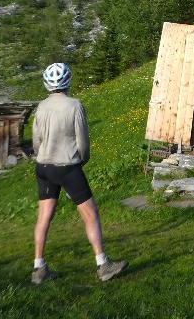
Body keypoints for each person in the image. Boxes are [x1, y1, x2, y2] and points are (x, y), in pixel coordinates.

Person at [31, 62, 127, 284]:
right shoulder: (74, 105)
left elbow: (36, 141)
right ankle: (103, 265)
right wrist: (82, 160)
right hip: (67, 166)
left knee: (43, 218)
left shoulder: (41, 107)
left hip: (43, 166)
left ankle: (39, 268)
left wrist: (42, 155)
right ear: (68, 80)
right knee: (90, 214)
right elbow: (82, 141)